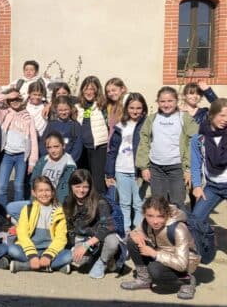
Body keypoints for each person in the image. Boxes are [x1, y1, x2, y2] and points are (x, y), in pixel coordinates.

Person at [121, 196, 199, 300]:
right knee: (132, 242)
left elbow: (182, 264)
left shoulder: (178, 229)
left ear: (167, 214)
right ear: (144, 214)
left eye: (160, 216)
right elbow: (135, 232)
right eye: (150, 216)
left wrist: (154, 254)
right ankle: (144, 280)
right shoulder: (146, 222)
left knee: (155, 270)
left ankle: (187, 280)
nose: (155, 221)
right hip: (161, 253)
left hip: (184, 262)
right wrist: (134, 235)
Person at [135, 87, 197, 210]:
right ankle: (160, 228)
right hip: (156, 168)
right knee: (158, 202)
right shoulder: (152, 119)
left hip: (177, 167)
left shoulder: (184, 118)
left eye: (170, 101)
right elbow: (144, 142)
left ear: (177, 101)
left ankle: (178, 228)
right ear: (157, 102)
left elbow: (194, 142)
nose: (166, 104)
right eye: (162, 101)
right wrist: (144, 167)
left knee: (177, 202)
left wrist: (188, 168)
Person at [63, 169, 122, 279]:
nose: (81, 190)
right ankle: (99, 257)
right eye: (78, 186)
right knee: (78, 261)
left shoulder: (100, 202)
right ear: (71, 186)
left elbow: (108, 226)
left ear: (90, 187)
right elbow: (69, 226)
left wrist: (86, 245)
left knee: (112, 241)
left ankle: (104, 261)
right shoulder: (68, 201)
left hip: (100, 238)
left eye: (85, 187)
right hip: (83, 239)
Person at [6, 132, 76, 222]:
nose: (53, 150)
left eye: (56, 146)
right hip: (39, 200)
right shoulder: (43, 160)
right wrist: (35, 203)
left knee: (19, 220)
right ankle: (33, 225)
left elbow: (65, 192)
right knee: (11, 208)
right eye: (49, 147)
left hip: (55, 204)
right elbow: (33, 182)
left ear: (63, 146)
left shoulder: (69, 165)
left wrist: (52, 207)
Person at [8, 177, 71, 274]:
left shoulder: (59, 211)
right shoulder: (28, 209)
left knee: (69, 255)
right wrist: (32, 256)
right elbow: (22, 234)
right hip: (31, 249)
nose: (44, 194)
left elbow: (61, 237)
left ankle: (25, 266)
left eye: (47, 190)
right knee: (12, 250)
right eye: (40, 190)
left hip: (50, 250)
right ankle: (52, 266)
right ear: (34, 193)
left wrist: (48, 255)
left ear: (53, 192)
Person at [105, 93, 148, 233]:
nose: (135, 111)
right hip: (121, 169)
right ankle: (125, 231)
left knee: (138, 203)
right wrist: (109, 173)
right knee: (124, 203)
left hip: (138, 171)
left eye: (138, 108)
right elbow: (112, 151)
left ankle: (138, 230)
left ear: (143, 108)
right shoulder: (120, 126)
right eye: (131, 108)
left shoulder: (147, 125)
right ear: (126, 108)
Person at [0, 90, 38, 208]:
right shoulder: (4, 113)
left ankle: (18, 212)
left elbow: (34, 140)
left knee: (18, 185)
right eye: (12, 100)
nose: (15, 102)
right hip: (7, 155)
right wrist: (6, 95)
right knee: (2, 186)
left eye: (17, 99)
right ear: (8, 101)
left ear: (22, 100)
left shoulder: (27, 117)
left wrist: (32, 162)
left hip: (21, 156)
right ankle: (4, 211)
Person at [190, 98, 227, 225]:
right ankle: (207, 243)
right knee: (195, 220)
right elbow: (195, 165)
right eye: (222, 115)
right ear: (212, 115)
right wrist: (197, 186)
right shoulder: (199, 139)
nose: (225, 119)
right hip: (212, 187)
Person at [76, 75, 109, 193]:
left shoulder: (103, 106)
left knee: (98, 181)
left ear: (97, 91)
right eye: (86, 89)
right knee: (83, 181)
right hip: (82, 149)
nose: (89, 92)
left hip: (99, 148)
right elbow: (60, 98)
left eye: (92, 89)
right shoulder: (78, 106)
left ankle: (101, 206)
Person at [41, 95, 83, 163]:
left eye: (66, 110)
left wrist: (70, 161)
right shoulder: (51, 125)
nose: (63, 112)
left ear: (71, 109)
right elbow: (43, 142)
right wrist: (47, 157)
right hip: (51, 161)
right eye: (60, 110)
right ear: (56, 110)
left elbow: (78, 146)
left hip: (68, 162)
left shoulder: (75, 125)